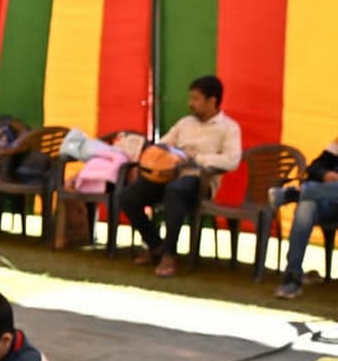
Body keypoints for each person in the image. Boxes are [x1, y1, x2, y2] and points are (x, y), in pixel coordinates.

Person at [119, 75, 242, 278]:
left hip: (199, 181)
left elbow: (232, 160)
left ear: (212, 101)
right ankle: (156, 245)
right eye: (190, 98)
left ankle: (169, 256)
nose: (190, 104)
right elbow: (165, 144)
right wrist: (155, 153)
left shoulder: (229, 128)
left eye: (196, 99)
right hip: (168, 175)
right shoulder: (185, 123)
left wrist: (197, 159)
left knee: (175, 190)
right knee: (128, 196)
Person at [271, 137, 338, 300]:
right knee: (306, 207)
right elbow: (313, 169)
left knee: (306, 197)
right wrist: (325, 174)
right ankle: (292, 278)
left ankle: (294, 194)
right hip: (330, 204)